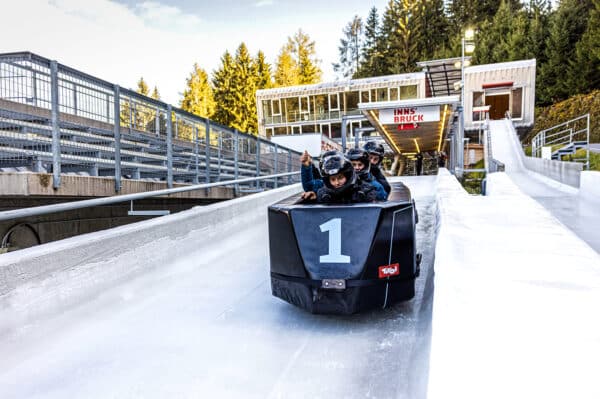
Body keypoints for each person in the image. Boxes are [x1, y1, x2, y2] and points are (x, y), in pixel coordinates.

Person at [302, 151, 377, 204]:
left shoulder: (366, 191)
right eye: (333, 179)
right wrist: (313, 199)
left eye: (340, 178)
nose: (337, 183)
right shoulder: (322, 193)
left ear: (348, 176)